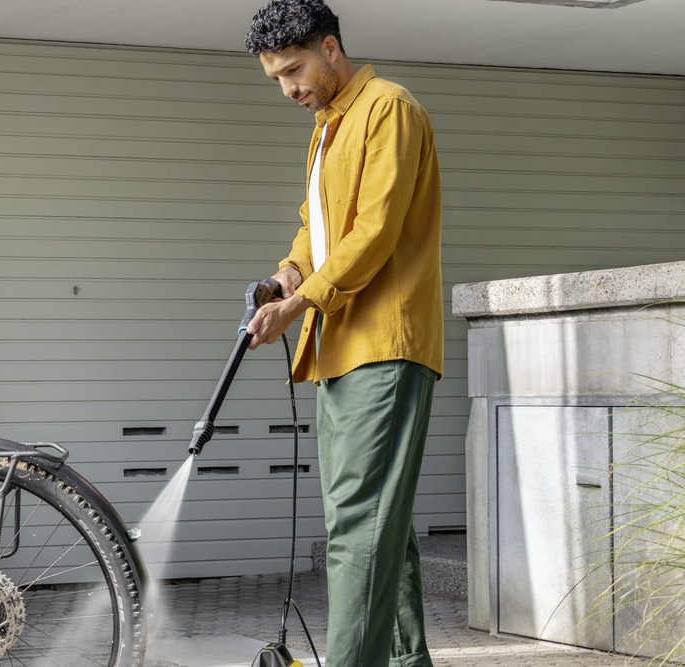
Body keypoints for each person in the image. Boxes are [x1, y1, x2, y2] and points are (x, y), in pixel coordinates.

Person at [240, 1, 445, 665]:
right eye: (275, 79)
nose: (288, 89)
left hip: (384, 346)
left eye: (294, 70)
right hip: (338, 351)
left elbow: (375, 232)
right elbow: (317, 224)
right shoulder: (328, 128)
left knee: (359, 527)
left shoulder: (388, 108)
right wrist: (289, 270)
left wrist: (298, 306)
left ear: (331, 48)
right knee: (380, 526)